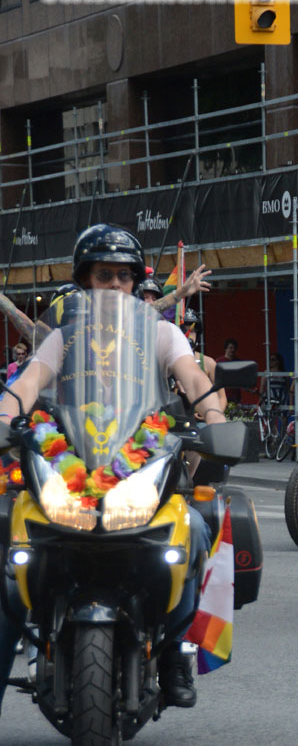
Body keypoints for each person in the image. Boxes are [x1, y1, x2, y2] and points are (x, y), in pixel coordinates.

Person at [0, 223, 225, 712]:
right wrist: (4, 414)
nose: (117, 286)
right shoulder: (64, 337)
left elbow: (191, 377)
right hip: (69, 468)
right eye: (105, 275)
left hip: (143, 467)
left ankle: (173, 655)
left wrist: (215, 418)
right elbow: (29, 382)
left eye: (125, 277)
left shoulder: (161, 334)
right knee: (11, 553)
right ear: (86, 281)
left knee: (198, 532)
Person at [179, 309, 228, 412]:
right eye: (183, 330)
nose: (187, 335)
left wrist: (212, 416)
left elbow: (222, 398)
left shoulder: (209, 363)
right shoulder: (166, 361)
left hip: (202, 421)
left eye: (191, 331)